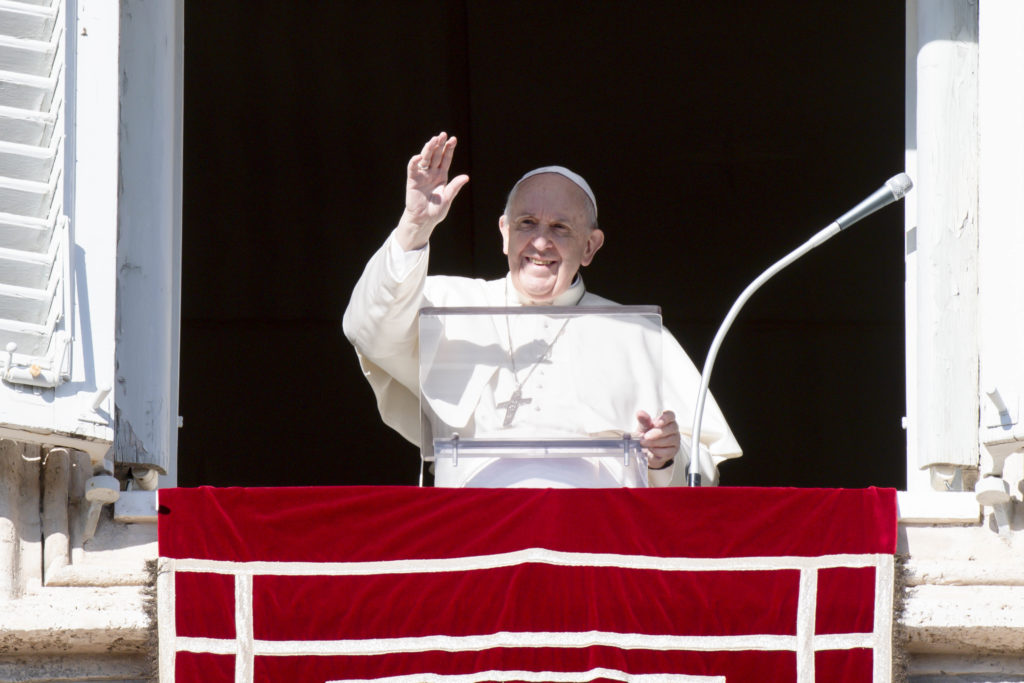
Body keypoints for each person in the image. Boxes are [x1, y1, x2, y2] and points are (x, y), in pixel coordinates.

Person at [343, 132, 741, 487]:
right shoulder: (446, 304)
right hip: (478, 535)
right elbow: (368, 329)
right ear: (504, 233)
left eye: (560, 228)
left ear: (590, 247)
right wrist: (414, 226)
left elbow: (703, 472)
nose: (540, 243)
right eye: (527, 223)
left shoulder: (637, 333)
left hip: (594, 541)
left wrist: (666, 458)